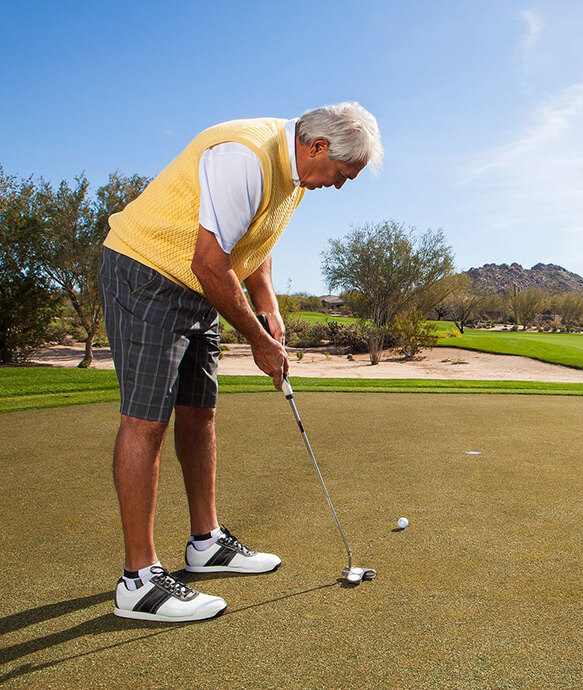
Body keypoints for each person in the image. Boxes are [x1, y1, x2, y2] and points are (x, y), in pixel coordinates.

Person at [98, 103, 383, 623]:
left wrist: (269, 307)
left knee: (199, 411)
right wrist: (258, 340)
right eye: (342, 175)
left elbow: (254, 245)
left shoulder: (294, 177)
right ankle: (138, 580)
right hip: (146, 271)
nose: (339, 186)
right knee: (146, 419)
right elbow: (209, 259)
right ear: (318, 147)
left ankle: (205, 544)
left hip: (200, 285)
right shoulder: (245, 155)